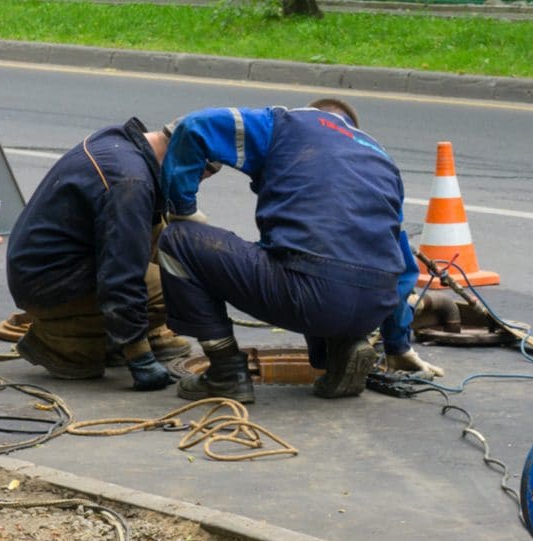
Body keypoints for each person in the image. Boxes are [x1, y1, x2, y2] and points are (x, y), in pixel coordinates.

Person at [156, 98, 443, 404]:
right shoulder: (381, 160)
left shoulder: (285, 125)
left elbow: (195, 126)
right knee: (326, 261)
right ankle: (342, 348)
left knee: (179, 240)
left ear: (312, 112)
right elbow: (404, 272)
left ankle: (226, 372)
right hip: (373, 307)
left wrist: (182, 207)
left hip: (310, 294)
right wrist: (398, 346)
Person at [5, 117, 192, 391]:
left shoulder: (127, 148)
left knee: (173, 256)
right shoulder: (130, 182)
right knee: (183, 286)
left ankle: (133, 333)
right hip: (50, 284)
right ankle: (64, 345)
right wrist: (140, 358)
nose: (196, 184)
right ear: (185, 157)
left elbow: (151, 238)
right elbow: (122, 276)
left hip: (51, 269)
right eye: (199, 175)